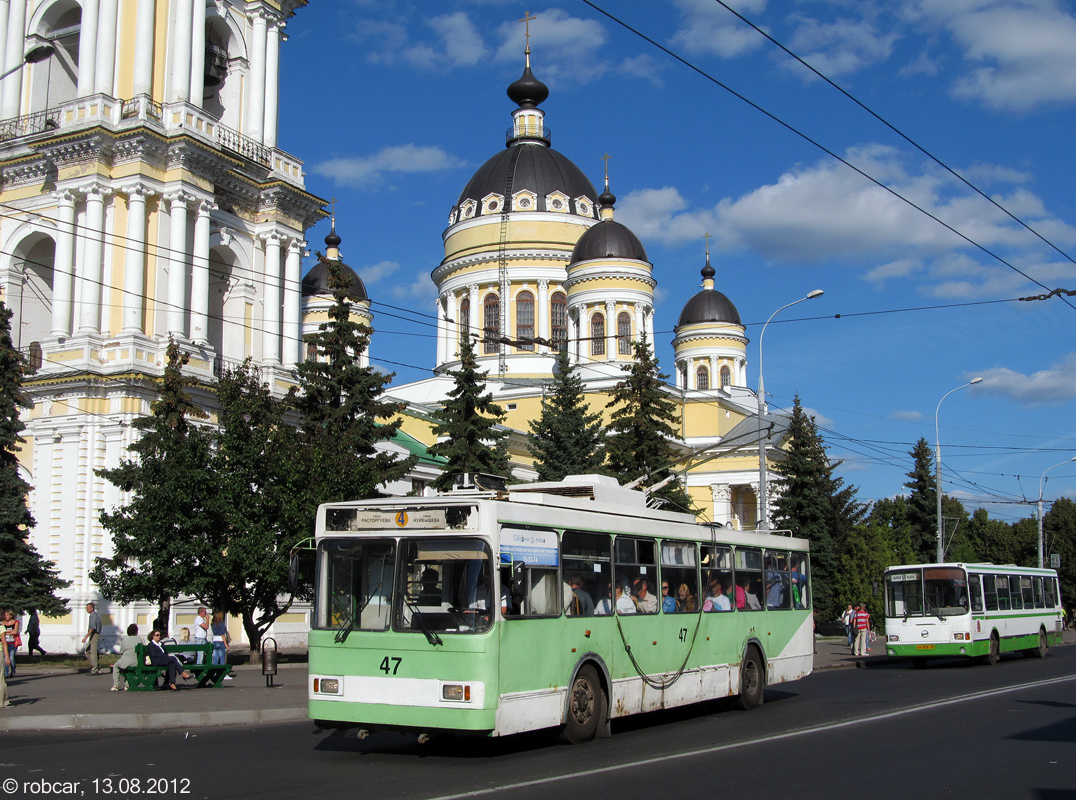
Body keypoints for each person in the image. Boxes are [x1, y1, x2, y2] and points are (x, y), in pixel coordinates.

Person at [111, 624, 141, 691]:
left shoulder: (125, 640)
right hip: (137, 661)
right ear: (136, 631)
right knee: (128, 668)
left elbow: (121, 651)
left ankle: (116, 684)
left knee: (116, 666)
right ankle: (127, 684)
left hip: (126, 661)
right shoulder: (140, 639)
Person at [82, 602, 102, 674]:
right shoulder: (92, 616)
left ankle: (95, 669)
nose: (86, 609)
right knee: (87, 651)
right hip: (92, 635)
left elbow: (92, 628)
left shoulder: (94, 616)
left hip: (95, 634)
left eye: (88, 608)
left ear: (92, 608)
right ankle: (95, 665)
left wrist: (86, 637)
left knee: (93, 652)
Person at [210, 611, 230, 676]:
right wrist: (226, 645)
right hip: (221, 641)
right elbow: (222, 635)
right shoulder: (221, 624)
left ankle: (214, 673)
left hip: (215, 641)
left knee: (215, 658)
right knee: (222, 659)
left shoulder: (213, 624)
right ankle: (223, 674)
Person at [1, 610, 19, 679]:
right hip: (5, 642)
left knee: (11, 657)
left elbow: (15, 632)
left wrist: (6, 632)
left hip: (13, 643)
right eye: (5, 615)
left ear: (11, 616)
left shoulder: (15, 622)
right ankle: (6, 673)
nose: (6, 617)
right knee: (5, 657)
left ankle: (13, 671)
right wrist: (8, 632)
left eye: (7, 615)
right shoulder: (3, 623)